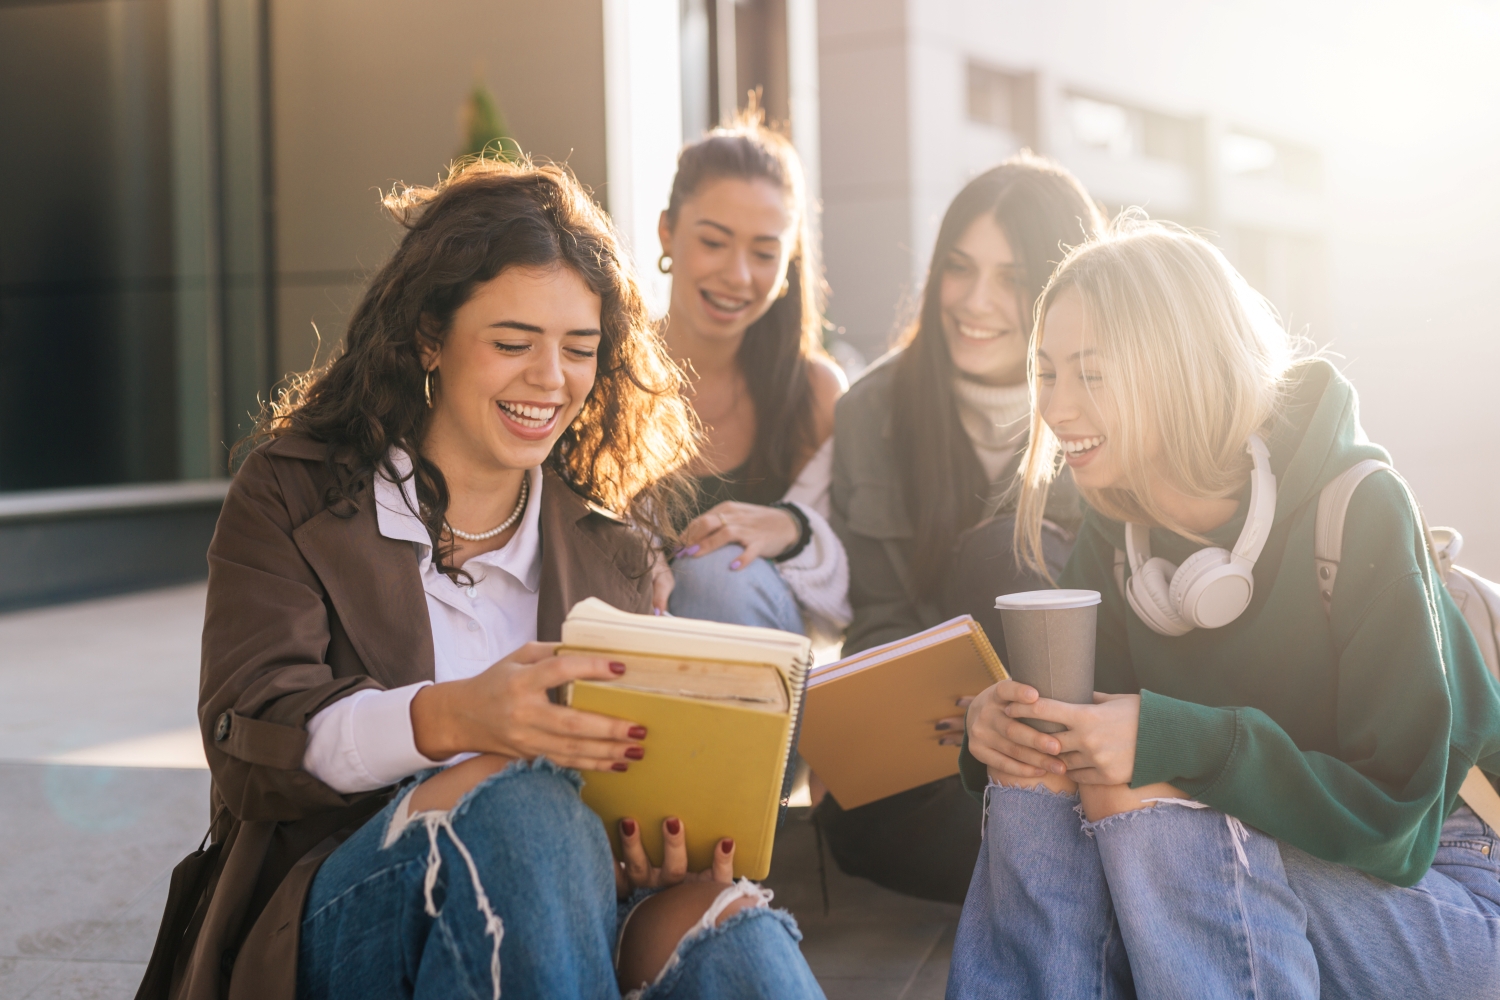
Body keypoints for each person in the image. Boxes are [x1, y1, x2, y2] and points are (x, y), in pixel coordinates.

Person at [159, 157, 825, 1000]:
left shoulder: (610, 550)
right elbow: (249, 739)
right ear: (429, 337)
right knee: (524, 808)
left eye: (579, 350)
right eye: (513, 343)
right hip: (339, 915)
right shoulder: (293, 495)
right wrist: (453, 719)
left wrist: (647, 849)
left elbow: (616, 798)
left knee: (728, 924)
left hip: (553, 906)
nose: (550, 380)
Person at [952, 217, 1500, 999]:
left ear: (1174, 368)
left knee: (1157, 803)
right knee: (1042, 782)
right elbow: (1087, 764)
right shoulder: (1115, 531)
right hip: (1245, 870)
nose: (1057, 408)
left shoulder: (1359, 505)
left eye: (1092, 374)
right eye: (1045, 373)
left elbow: (1398, 829)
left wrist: (1191, 746)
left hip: (1451, 891)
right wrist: (998, 738)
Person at [814, 155, 1104, 903]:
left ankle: (1055, 867)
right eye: (959, 268)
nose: (976, 302)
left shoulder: (1109, 415)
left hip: (1085, 746)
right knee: (852, 819)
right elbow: (878, 622)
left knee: (1009, 556)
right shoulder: (872, 413)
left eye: (1012, 278)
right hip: (944, 757)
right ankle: (1062, 878)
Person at [653, 105, 849, 645]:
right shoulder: (603, 370)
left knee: (716, 578)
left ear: (789, 263)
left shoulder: (813, 393)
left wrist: (792, 528)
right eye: (714, 242)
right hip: (625, 662)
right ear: (667, 231)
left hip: (763, 673)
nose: (738, 275)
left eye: (764, 252)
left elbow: (857, 585)